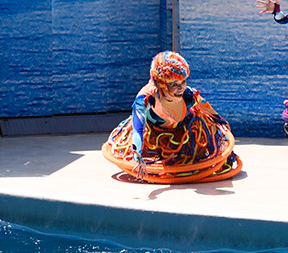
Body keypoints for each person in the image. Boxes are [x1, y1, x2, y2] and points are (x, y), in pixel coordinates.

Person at [102, 51, 241, 183]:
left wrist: (220, 121)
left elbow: (204, 105)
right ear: (160, 85)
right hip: (154, 135)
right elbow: (138, 129)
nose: (181, 88)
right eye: (174, 84)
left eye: (183, 82)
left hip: (186, 129)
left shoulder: (188, 95)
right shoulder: (146, 98)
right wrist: (137, 153)